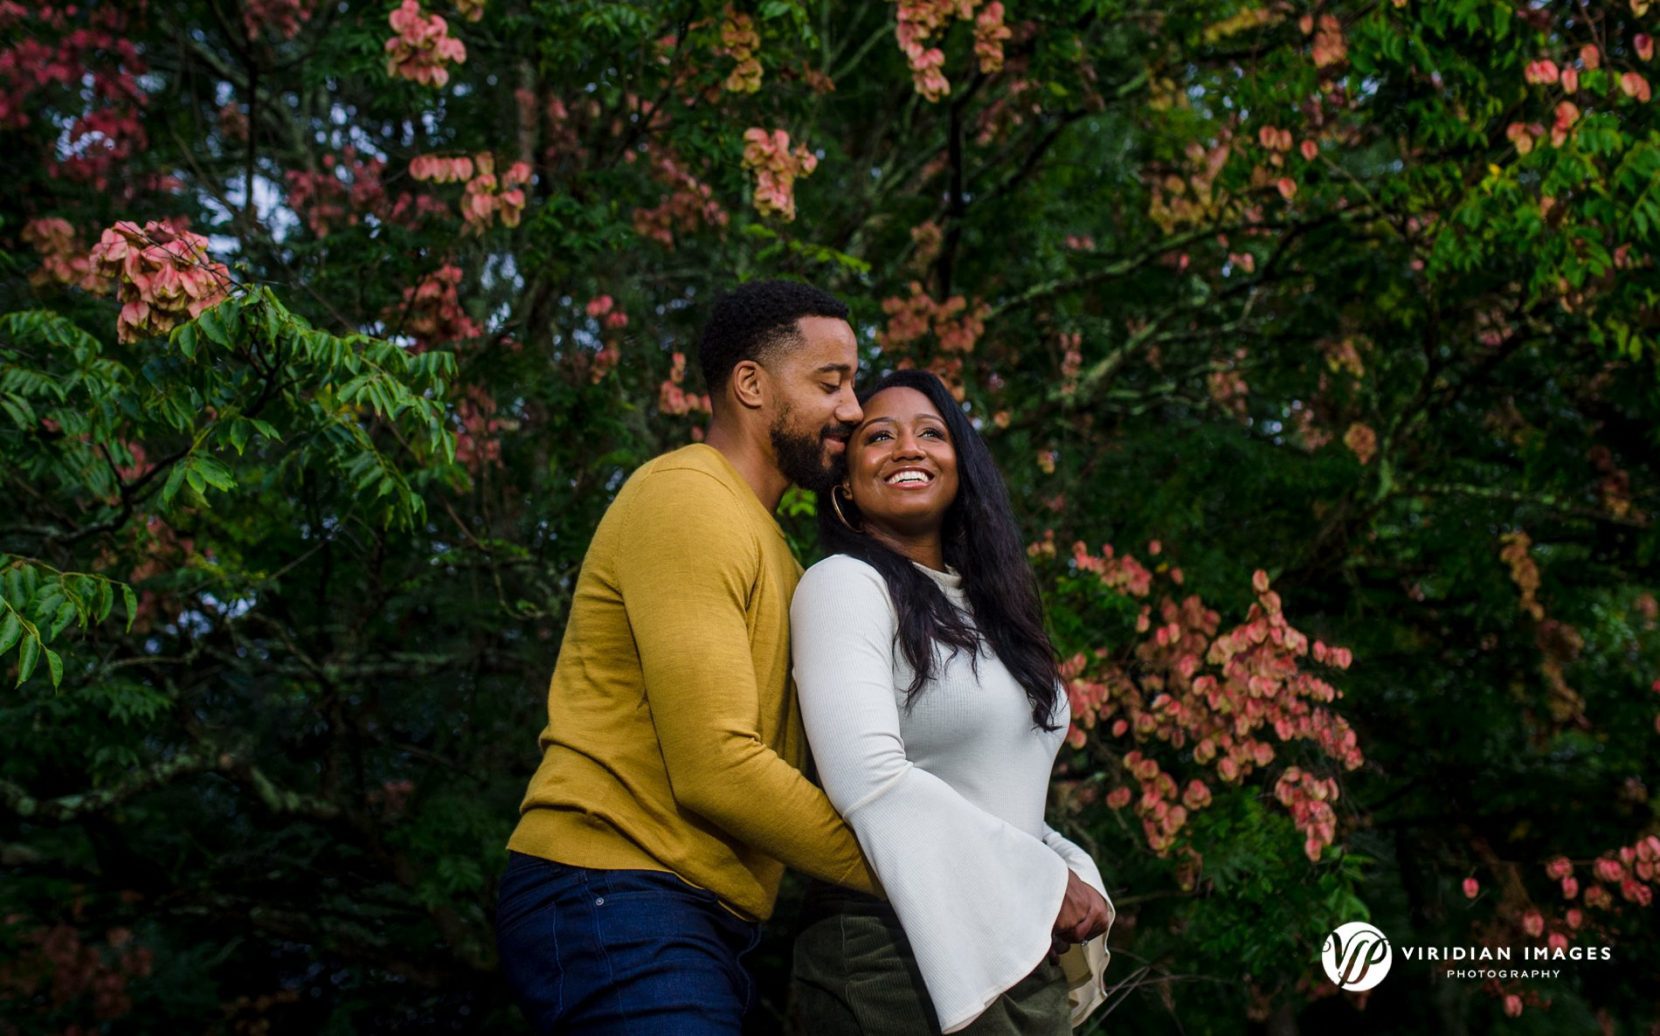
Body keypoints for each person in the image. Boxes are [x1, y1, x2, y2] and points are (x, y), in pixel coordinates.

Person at [496, 280, 883, 1035]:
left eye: (853, 384)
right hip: (613, 885)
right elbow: (717, 767)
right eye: (830, 383)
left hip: (686, 911)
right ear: (751, 385)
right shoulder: (688, 499)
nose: (853, 409)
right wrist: (909, 872)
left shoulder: (777, 552)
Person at [788, 369, 1115, 1035]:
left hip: (1015, 940)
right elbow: (867, 778)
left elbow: (999, 794)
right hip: (894, 948)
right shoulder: (844, 585)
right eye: (880, 436)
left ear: (961, 466)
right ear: (845, 481)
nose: (908, 448)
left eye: (931, 433)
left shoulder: (993, 611)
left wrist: (1068, 869)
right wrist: (1040, 880)